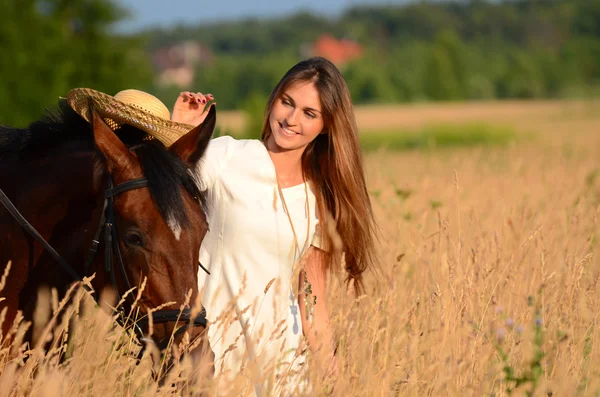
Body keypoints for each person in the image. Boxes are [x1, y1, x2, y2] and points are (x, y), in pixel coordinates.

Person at [171, 57, 377, 394]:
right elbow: (158, 194)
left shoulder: (318, 199)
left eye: (309, 114)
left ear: (326, 125)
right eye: (287, 102)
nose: (291, 119)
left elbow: (312, 300)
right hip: (212, 357)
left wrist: (335, 377)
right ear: (275, 98)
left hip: (281, 367)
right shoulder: (225, 157)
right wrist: (179, 133)